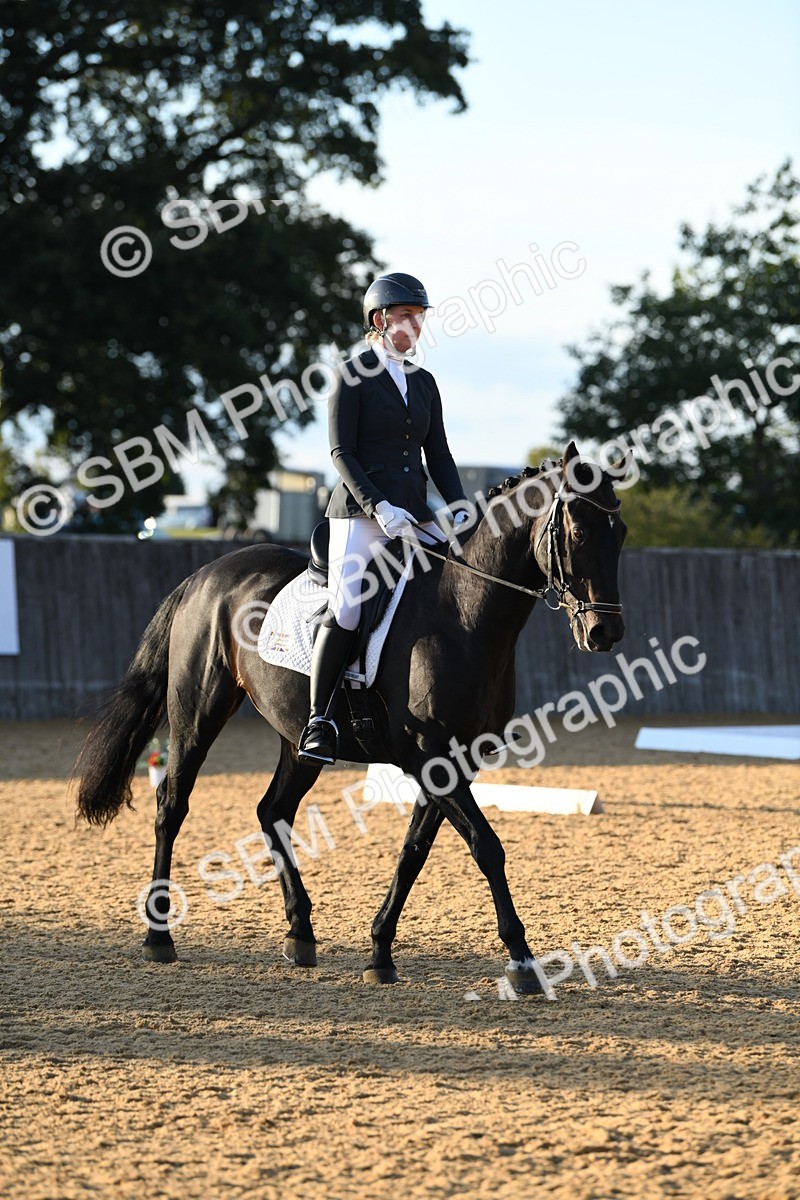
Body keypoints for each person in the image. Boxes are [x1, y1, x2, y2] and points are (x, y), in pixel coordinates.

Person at [298, 271, 470, 763]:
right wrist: (378, 506)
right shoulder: (350, 374)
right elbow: (340, 452)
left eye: (420, 317)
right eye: (407, 317)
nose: (416, 326)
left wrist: (457, 508)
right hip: (359, 513)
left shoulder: (423, 382)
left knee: (458, 584)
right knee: (349, 606)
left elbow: (438, 455)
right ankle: (318, 721)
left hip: (415, 512)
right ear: (379, 320)